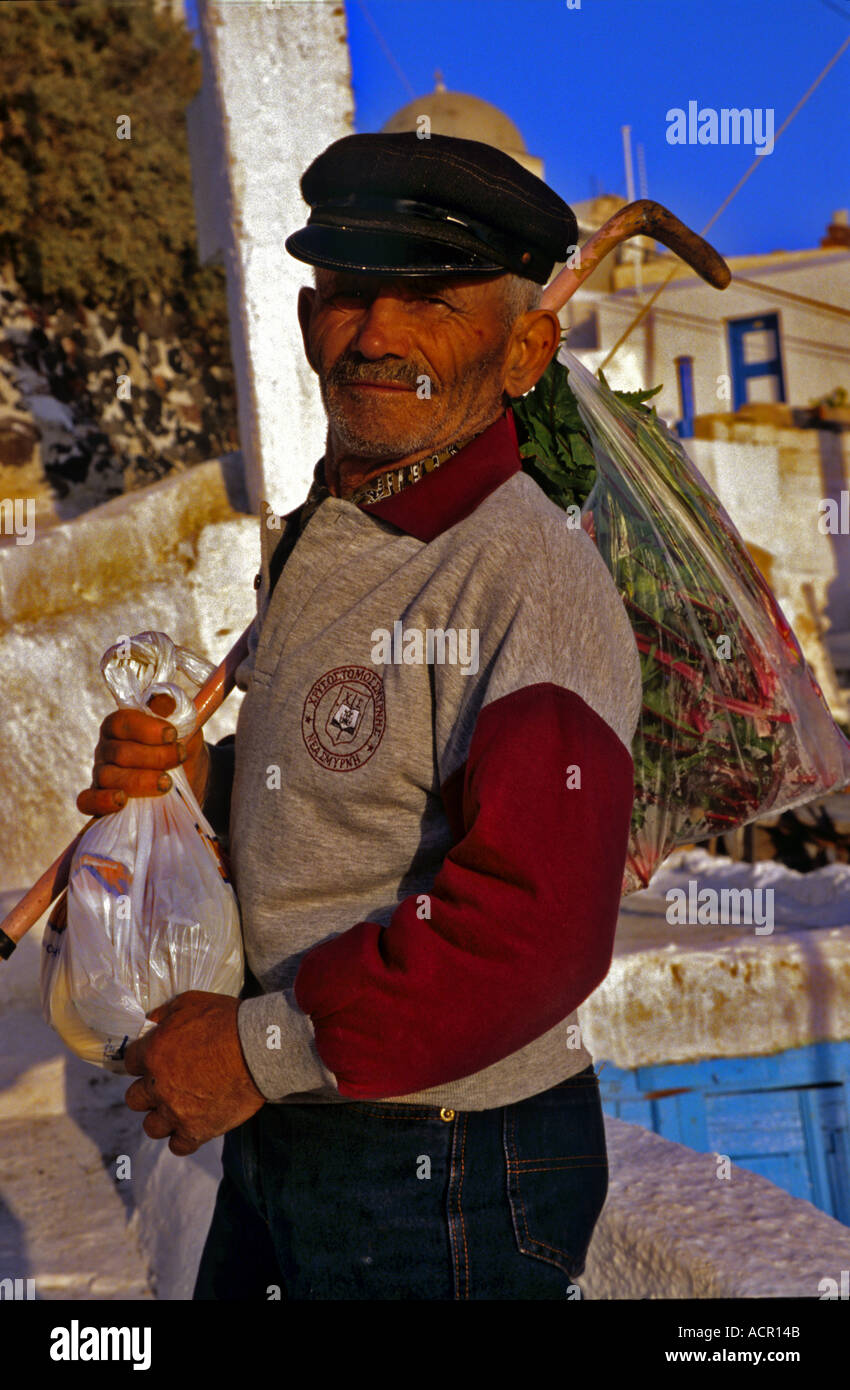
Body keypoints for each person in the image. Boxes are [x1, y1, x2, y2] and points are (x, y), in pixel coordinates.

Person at [78, 132, 642, 1300]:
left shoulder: (524, 578)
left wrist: (252, 1047)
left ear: (526, 345)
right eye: (348, 293)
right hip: (299, 1125)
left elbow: (530, 931)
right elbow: (339, 805)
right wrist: (186, 789)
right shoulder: (324, 538)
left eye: (430, 300)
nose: (376, 333)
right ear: (305, 317)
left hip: (443, 1167)